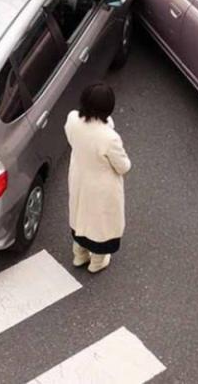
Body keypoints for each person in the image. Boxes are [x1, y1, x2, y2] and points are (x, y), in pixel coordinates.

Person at [64, 83, 131, 273]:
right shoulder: (109, 138)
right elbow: (124, 166)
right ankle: (97, 262)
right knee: (101, 224)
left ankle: (79, 254)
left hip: (79, 177)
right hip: (102, 187)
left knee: (80, 216)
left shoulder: (72, 120)